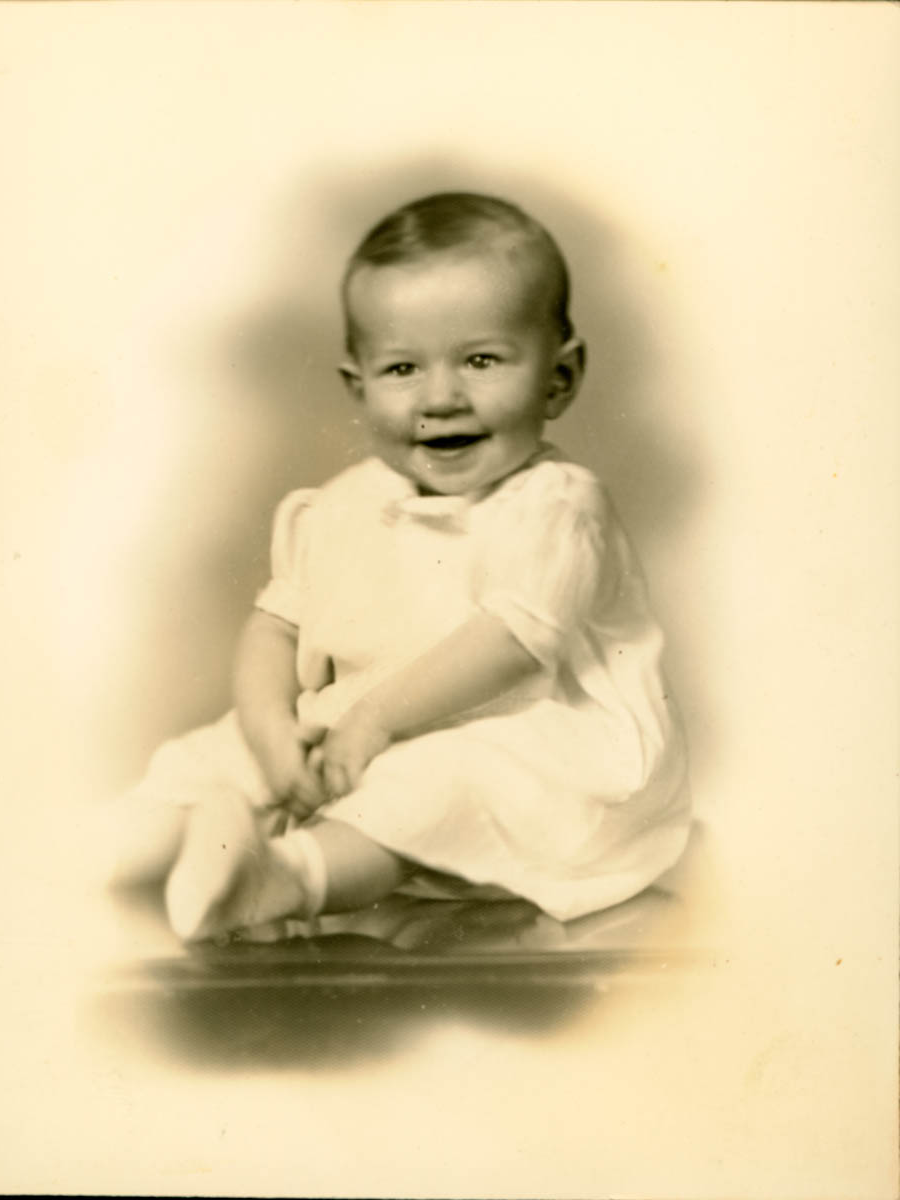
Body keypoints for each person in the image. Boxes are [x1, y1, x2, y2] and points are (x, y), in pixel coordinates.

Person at [107, 191, 690, 942]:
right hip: (363, 732)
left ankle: (281, 879)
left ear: (559, 377)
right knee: (210, 760)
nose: (441, 398)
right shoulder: (344, 505)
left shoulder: (556, 507)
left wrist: (374, 720)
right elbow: (274, 629)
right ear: (359, 387)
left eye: (481, 360)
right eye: (402, 368)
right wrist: (269, 728)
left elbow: (512, 642)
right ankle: (106, 859)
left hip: (527, 752)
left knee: (435, 782)